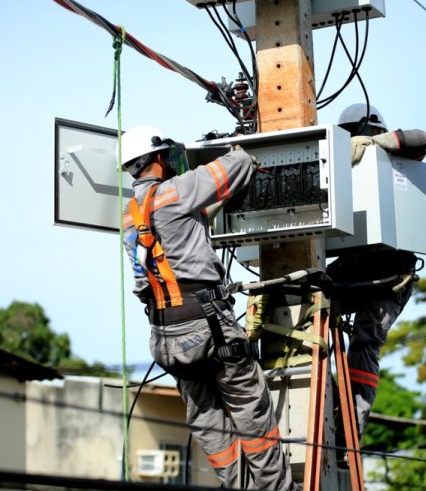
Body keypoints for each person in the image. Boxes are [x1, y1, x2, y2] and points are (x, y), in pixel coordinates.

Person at [120, 125, 297, 490]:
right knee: (253, 415)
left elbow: (162, 253)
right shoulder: (178, 191)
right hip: (208, 327)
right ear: (157, 157)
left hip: (166, 339)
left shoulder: (128, 214)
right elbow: (238, 163)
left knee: (208, 422)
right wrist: (241, 143)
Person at [326, 104, 426, 453]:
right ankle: (319, 403)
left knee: (365, 342)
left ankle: (349, 431)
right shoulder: (338, 166)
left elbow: (422, 138)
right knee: (307, 306)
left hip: (390, 273)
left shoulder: (397, 161)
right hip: (353, 266)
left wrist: (378, 144)